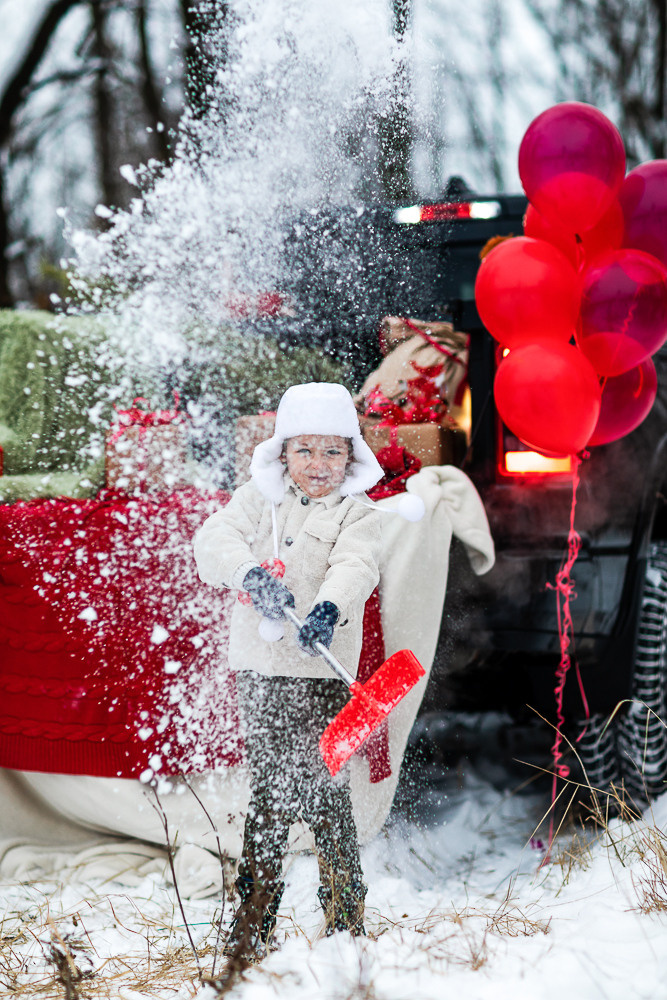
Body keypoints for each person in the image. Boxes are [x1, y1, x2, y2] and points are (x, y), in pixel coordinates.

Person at [193, 382, 384, 960]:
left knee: (326, 790)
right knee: (273, 793)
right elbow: (213, 540)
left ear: (350, 455)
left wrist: (329, 608)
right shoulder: (260, 498)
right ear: (284, 454)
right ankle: (252, 926)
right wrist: (250, 574)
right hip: (262, 670)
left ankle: (346, 918)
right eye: (305, 451)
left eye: (332, 452)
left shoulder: (358, 511)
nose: (318, 465)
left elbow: (356, 564)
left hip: (322, 673)